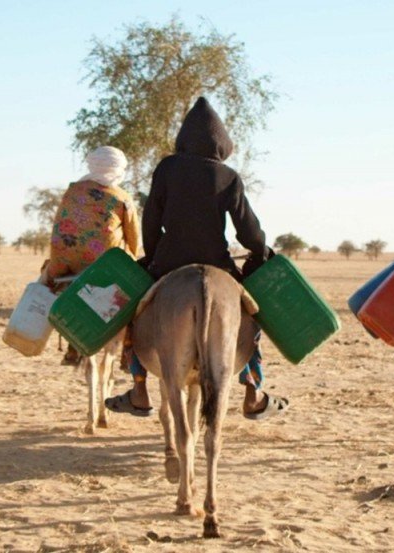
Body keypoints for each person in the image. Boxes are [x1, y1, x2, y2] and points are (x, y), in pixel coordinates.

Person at [105, 96, 288, 420]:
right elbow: (249, 231)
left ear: (184, 139)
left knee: (134, 313)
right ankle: (253, 391)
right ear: (222, 144)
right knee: (252, 318)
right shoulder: (228, 177)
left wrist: (154, 254)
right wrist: (260, 251)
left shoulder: (166, 168)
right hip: (218, 264)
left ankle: (139, 388)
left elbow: (151, 218)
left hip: (168, 262)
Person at [40, 145, 141, 305]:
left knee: (40, 288)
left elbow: (58, 225)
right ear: (118, 170)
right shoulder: (122, 198)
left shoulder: (73, 190)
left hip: (63, 263)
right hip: (103, 264)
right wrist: (133, 259)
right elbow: (133, 237)